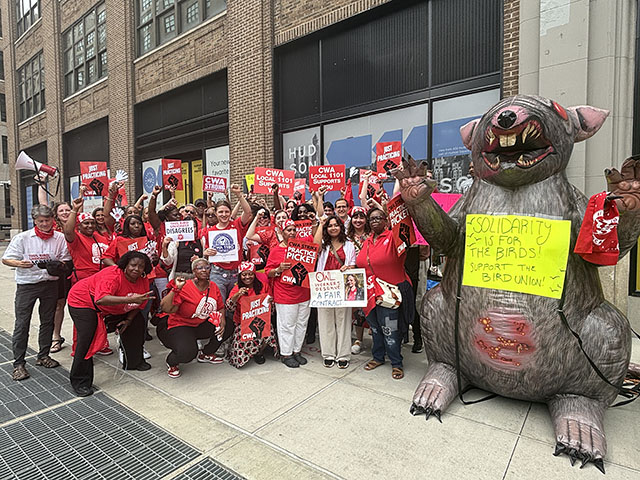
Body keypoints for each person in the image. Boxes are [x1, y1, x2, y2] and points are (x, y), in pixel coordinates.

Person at [67, 251, 155, 396]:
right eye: (133, 265)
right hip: (83, 302)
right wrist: (129, 300)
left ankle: (134, 361)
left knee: (137, 322)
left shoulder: (143, 280)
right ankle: (80, 381)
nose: (136, 269)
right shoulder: (113, 275)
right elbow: (101, 299)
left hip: (114, 307)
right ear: (125, 265)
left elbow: (140, 304)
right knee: (87, 338)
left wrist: (128, 320)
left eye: (141, 266)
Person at [2, 205, 72, 380]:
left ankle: (43, 355)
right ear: (35, 221)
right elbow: (6, 259)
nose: (45, 224)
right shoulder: (23, 238)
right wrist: (19, 263)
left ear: (53, 220)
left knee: (47, 321)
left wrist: (58, 266)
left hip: (50, 284)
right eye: (41, 221)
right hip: (27, 284)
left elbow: (66, 259)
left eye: (47, 220)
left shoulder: (59, 238)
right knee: (22, 323)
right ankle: (19, 363)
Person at [356, 208, 414, 380]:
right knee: (375, 328)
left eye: (378, 218)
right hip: (370, 294)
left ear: (386, 220)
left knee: (390, 330)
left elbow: (406, 233)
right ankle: (378, 357)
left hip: (389, 294)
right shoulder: (367, 241)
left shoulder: (394, 238)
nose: (374, 221)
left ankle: (396, 363)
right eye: (371, 219)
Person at [157, 258, 231, 378]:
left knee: (228, 325)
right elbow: (165, 308)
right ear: (194, 271)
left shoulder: (213, 286)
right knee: (188, 353)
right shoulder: (185, 286)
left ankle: (206, 353)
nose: (204, 270)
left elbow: (220, 307)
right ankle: (172, 362)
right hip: (181, 325)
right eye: (200, 268)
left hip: (200, 324)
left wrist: (222, 321)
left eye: (207, 267)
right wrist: (176, 289)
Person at [265, 220, 311, 368]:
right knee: (287, 325)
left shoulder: (302, 248)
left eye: (293, 230)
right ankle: (286, 354)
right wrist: (278, 269)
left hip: (303, 292)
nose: (291, 233)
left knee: (301, 324)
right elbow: (268, 272)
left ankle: (297, 351)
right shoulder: (276, 250)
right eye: (288, 230)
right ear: (282, 232)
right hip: (285, 294)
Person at [313, 215, 356, 368]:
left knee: (343, 321)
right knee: (325, 321)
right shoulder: (324, 245)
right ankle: (328, 354)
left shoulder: (349, 244)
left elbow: (353, 264)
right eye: (330, 226)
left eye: (336, 225)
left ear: (341, 227)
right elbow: (314, 246)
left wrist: (348, 267)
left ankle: (343, 354)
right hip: (324, 288)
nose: (333, 228)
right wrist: (321, 224)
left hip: (342, 288)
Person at [200, 184, 253, 300]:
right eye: (220, 212)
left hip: (236, 272)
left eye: (226, 212)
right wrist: (206, 253)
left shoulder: (237, 225)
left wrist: (239, 194)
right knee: (219, 303)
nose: (224, 215)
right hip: (217, 273)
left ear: (230, 212)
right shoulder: (210, 232)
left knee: (236, 303)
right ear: (215, 213)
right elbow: (207, 254)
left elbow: (248, 212)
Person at [225, 262, 277, 367]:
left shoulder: (264, 286)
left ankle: (259, 352)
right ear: (240, 276)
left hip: (261, 319)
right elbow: (229, 307)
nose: (247, 277)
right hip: (242, 322)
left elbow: (271, 310)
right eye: (244, 274)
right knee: (240, 349)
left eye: (250, 274)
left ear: (254, 274)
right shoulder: (236, 289)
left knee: (268, 329)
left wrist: (271, 302)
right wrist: (237, 295)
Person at [64, 198, 109, 283]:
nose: (90, 226)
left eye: (92, 223)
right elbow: (68, 231)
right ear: (79, 226)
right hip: (84, 279)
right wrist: (74, 209)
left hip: (102, 278)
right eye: (86, 223)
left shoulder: (102, 238)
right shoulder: (76, 238)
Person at [346, 206, 370, 355]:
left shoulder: (372, 235)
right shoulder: (347, 238)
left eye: (361, 217)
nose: (358, 220)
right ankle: (359, 340)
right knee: (357, 311)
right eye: (355, 217)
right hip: (355, 277)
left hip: (371, 276)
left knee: (372, 308)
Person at [51, 201, 73, 352]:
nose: (65, 213)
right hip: (60, 269)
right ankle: (56, 336)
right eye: (61, 211)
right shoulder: (53, 228)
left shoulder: (78, 225)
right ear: (56, 214)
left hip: (77, 267)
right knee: (59, 304)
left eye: (67, 210)